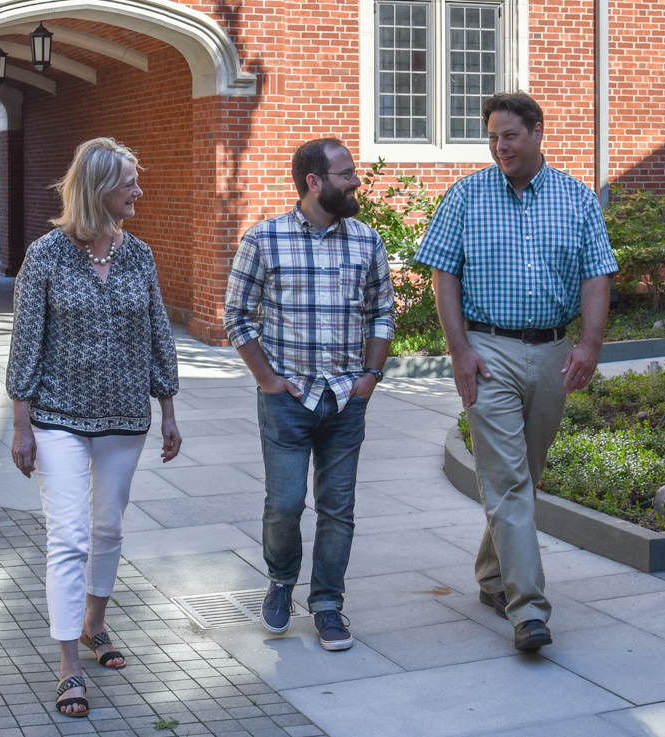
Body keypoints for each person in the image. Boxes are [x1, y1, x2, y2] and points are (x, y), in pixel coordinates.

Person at [415, 93, 617, 652]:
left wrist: (590, 345)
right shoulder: (466, 196)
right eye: (492, 138)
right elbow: (444, 276)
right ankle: (528, 609)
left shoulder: (576, 199)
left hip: (553, 352)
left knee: (522, 475)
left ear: (536, 132)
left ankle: (489, 575)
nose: (500, 146)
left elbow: (596, 275)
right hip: (488, 350)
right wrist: (459, 350)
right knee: (507, 480)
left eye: (509, 136)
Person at [6, 137, 181, 716]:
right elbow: (26, 342)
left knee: (107, 528)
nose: (139, 190)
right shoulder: (47, 255)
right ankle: (68, 667)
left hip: (125, 417)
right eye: (129, 181)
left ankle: (94, 624)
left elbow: (159, 333)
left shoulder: (141, 255)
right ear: (98, 188)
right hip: (57, 417)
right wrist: (22, 424)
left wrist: (169, 409)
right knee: (69, 536)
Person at [224, 138, 395, 651]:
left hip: (346, 398)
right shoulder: (264, 240)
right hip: (287, 398)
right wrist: (266, 379)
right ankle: (280, 582)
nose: (356, 181)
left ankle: (327, 604)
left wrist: (372, 375)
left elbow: (382, 313)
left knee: (338, 508)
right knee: (285, 503)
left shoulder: (367, 242)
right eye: (346, 174)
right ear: (314, 182)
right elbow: (236, 316)